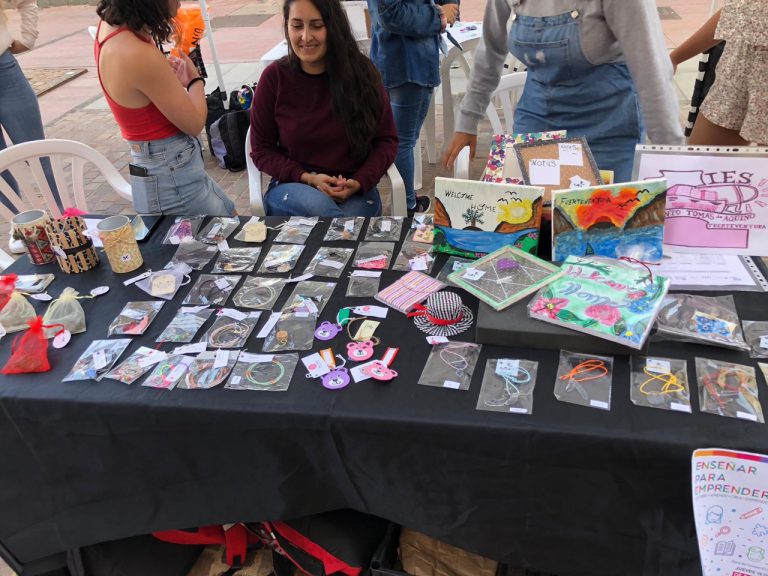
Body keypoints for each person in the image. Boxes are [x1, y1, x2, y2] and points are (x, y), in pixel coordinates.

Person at [443, 0, 685, 185]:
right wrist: (467, 121)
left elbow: (651, 71)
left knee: (603, 229)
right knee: (530, 223)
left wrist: (671, 156)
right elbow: (490, 51)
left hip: (610, 125)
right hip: (538, 118)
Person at [249, 0, 397, 217]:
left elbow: (386, 140)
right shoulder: (275, 78)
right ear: (287, 27)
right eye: (297, 26)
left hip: (352, 189)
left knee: (345, 227)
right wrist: (307, 177)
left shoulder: (363, 74)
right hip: (293, 185)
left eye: (317, 26)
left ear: (333, 26)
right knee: (336, 223)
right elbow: (261, 149)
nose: (306, 37)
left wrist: (359, 181)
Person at [94, 0, 235, 216]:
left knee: (230, 219)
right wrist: (195, 82)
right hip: (171, 174)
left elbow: (143, 96)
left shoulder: (112, 29)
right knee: (226, 236)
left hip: (164, 167)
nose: (179, 2)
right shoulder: (138, 53)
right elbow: (195, 123)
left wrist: (167, 84)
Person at [367, 0, 459, 215]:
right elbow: (390, 13)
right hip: (406, 64)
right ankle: (406, 205)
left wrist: (449, 6)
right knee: (402, 141)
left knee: (400, 139)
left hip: (404, 60)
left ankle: (404, 199)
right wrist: (439, 16)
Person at [670, 1, 767, 146]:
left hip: (744, 63)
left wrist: (675, 58)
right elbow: (739, 10)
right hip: (739, 63)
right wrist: (674, 58)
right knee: (700, 161)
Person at [0, 0, 55, 253]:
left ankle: (61, 218)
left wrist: (27, 37)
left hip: (4, 71)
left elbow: (26, 2)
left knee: (36, 152)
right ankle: (21, 226)